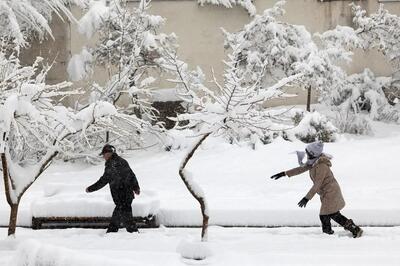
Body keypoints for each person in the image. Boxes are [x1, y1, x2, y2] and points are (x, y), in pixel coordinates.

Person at [270, 142, 363, 238]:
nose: (306, 153)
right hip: (327, 192)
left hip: (331, 192)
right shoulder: (313, 162)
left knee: (326, 215)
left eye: (308, 152)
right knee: (332, 214)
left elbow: (317, 184)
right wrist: (284, 173)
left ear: (312, 153)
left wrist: (307, 198)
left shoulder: (321, 166)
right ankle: (348, 230)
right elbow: (300, 169)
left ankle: (331, 234)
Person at [86, 144, 141, 233]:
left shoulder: (112, 165)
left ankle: (129, 233)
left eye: (104, 154)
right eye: (103, 155)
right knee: (121, 214)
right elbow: (131, 175)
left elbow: (103, 180)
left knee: (126, 216)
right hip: (127, 194)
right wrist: (136, 187)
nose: (104, 157)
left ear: (109, 153)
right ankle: (114, 232)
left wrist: (91, 189)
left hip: (121, 195)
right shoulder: (122, 161)